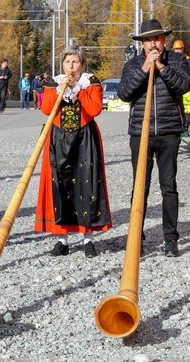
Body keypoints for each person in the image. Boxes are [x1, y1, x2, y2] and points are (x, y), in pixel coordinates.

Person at [117, 19, 190, 257]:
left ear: (164, 40)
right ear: (142, 44)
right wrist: (144, 70)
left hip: (169, 132)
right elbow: (124, 94)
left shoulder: (178, 60)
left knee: (168, 186)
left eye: (157, 39)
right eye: (148, 40)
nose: (153, 44)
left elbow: (184, 86)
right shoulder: (132, 65)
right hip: (140, 133)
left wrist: (161, 68)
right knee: (140, 187)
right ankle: (136, 239)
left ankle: (171, 240)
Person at [34, 46, 111, 258]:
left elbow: (94, 109)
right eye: (68, 62)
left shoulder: (91, 82)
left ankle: (88, 239)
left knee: (87, 184)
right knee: (60, 184)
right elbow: (47, 109)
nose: (71, 66)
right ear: (63, 64)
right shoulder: (53, 82)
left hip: (85, 138)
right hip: (58, 138)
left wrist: (78, 88)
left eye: (75, 62)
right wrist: (60, 89)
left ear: (82, 64)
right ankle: (62, 239)